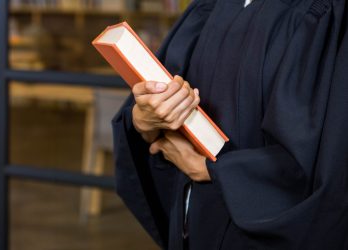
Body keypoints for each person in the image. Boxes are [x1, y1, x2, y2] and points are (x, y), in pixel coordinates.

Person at [112, 0, 348, 249]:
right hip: (190, 223)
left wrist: (209, 169)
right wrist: (145, 121)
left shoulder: (324, 13)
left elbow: (328, 162)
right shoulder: (209, 7)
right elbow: (150, 124)